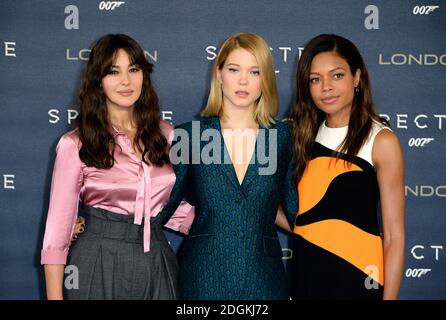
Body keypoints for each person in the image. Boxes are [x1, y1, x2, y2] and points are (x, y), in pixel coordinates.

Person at [40, 34, 194, 300]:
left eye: (133, 69)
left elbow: (171, 207)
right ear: (98, 80)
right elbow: (56, 235)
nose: (126, 81)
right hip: (97, 261)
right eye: (114, 71)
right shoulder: (75, 144)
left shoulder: (167, 135)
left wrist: (227, 224)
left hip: (157, 260)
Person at [158, 32, 297, 300]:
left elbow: (295, 211)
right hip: (203, 279)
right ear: (219, 74)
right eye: (234, 69)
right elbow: (161, 205)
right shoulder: (190, 136)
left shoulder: (283, 137)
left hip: (264, 281)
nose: (243, 80)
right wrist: (100, 225)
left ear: (264, 80)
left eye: (254, 72)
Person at [289, 34, 405, 299]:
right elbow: (304, 219)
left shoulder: (381, 140)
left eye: (337, 75)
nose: (326, 87)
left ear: (356, 77)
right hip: (306, 280)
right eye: (315, 79)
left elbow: (395, 237)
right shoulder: (300, 137)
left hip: (359, 280)